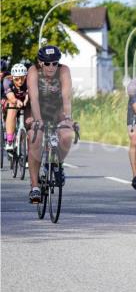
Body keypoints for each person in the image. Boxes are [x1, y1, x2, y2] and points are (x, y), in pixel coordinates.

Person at [26, 45, 76, 203]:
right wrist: (39, 121)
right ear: (40, 63)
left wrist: (68, 117)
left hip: (57, 108)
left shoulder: (64, 71)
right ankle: (35, 187)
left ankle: (57, 164)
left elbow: (67, 96)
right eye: (47, 63)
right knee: (35, 137)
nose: (51, 67)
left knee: (67, 135)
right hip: (38, 108)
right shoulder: (33, 71)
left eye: (55, 63)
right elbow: (33, 98)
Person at [3, 63, 30, 152]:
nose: (20, 81)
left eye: (22, 78)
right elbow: (10, 96)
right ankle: (9, 140)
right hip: (12, 100)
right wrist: (16, 101)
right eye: (17, 79)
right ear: (12, 77)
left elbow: (29, 94)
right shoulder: (7, 80)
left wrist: (26, 100)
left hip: (25, 101)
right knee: (12, 106)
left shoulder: (29, 80)